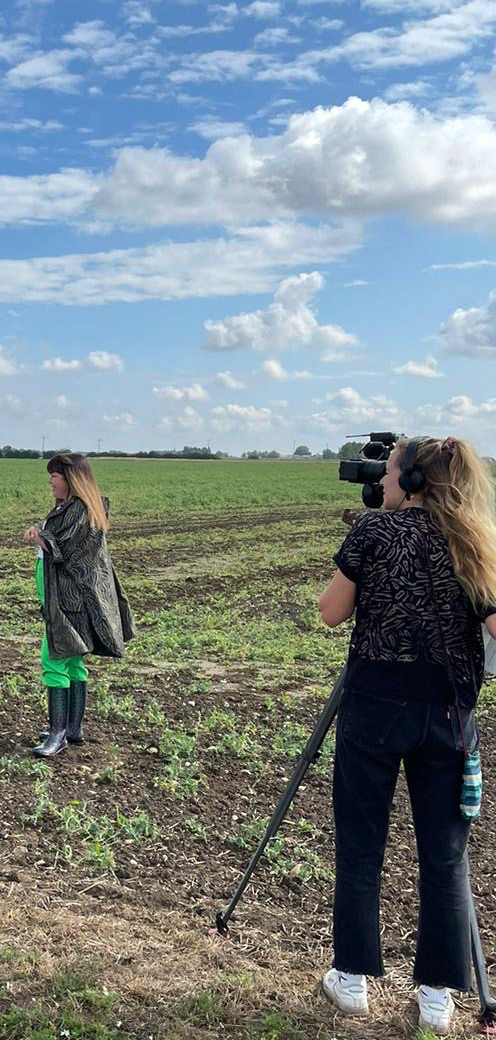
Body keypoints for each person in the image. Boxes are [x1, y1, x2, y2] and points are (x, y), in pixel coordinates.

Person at [318, 435, 496, 1035]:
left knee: (362, 844)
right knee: (446, 857)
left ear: (413, 482)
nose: (383, 480)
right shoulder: (472, 541)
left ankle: (352, 981)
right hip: (447, 719)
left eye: (391, 472)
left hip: (372, 712)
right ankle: (438, 996)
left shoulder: (371, 533)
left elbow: (331, 611)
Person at [24, 452, 134, 757]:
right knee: (73, 661)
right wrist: (43, 529)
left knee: (54, 659)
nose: (51, 482)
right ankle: (72, 728)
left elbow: (65, 550)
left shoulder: (79, 510)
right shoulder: (77, 508)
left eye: (55, 476)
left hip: (67, 601)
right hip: (68, 598)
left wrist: (39, 536)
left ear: (70, 480)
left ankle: (57, 735)